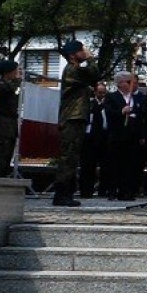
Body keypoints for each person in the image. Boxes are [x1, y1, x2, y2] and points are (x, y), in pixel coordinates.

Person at [51, 39, 102, 208]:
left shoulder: (75, 70)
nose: (84, 53)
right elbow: (94, 75)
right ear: (73, 55)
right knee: (68, 157)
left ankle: (67, 193)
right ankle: (61, 194)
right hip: (71, 118)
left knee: (72, 157)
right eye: (81, 51)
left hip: (76, 118)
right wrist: (91, 58)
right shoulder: (72, 69)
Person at [102, 70, 147, 202]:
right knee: (116, 163)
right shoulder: (112, 97)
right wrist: (121, 111)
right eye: (128, 82)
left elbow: (141, 117)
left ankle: (127, 190)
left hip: (132, 135)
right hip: (118, 135)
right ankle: (113, 190)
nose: (131, 84)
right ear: (120, 83)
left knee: (130, 164)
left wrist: (141, 134)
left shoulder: (136, 98)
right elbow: (109, 112)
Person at [0, 59, 20, 178]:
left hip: (10, 126)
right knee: (0, 157)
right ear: (8, 72)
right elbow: (9, 90)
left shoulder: (8, 84)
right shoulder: (0, 85)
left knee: (7, 156)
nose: (17, 73)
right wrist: (17, 81)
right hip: (2, 126)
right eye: (15, 71)